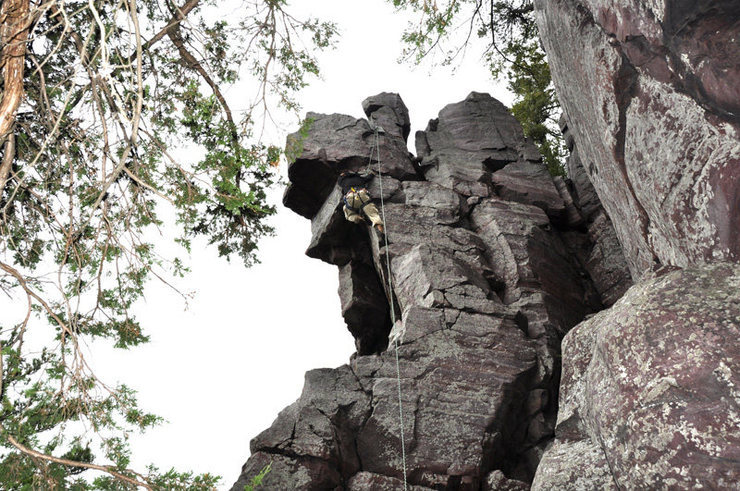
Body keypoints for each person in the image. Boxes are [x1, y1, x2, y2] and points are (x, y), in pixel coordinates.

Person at [338, 169, 384, 233]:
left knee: (347, 210)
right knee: (371, 211)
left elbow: (339, 180)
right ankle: (378, 224)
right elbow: (369, 177)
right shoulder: (360, 179)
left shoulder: (343, 181)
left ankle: (356, 217)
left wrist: (342, 175)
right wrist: (372, 174)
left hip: (350, 197)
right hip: (362, 194)